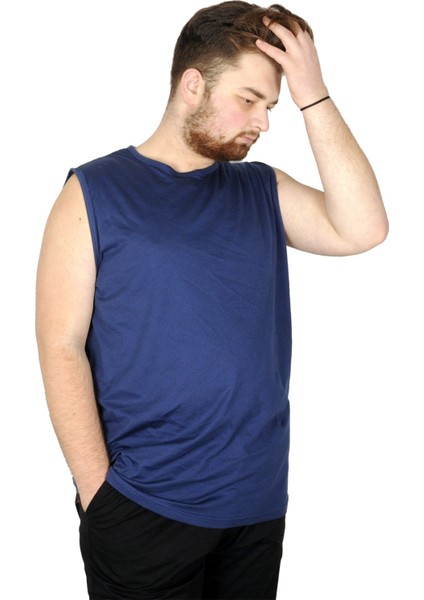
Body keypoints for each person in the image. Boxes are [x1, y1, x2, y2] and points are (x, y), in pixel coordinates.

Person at [35, 2, 388, 599]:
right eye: (249, 99)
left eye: (271, 106)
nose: (263, 122)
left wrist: (313, 94)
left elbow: (363, 228)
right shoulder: (94, 191)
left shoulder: (262, 189)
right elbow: (60, 345)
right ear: (193, 85)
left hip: (255, 506)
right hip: (142, 506)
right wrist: (99, 494)